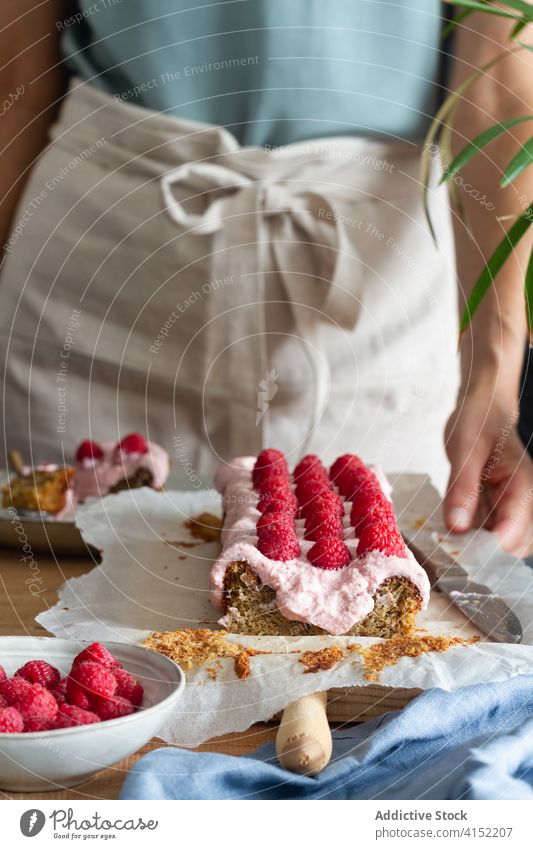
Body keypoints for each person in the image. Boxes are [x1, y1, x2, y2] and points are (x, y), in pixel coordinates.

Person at [0, 2, 532, 555]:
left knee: (366, 618)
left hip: (373, 300)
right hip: (98, 273)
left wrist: (492, 377)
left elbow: (498, 68)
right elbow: (15, 72)